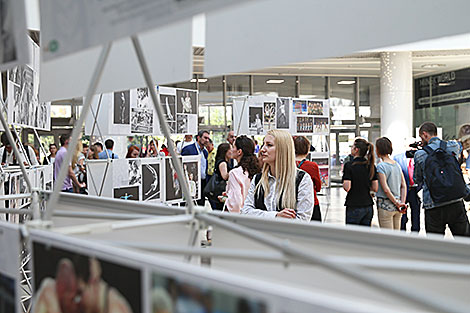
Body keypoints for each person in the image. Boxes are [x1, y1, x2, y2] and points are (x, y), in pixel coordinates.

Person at [241, 129, 314, 221]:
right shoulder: (258, 179)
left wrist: (260, 216)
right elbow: (246, 212)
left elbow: (303, 220)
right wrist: (275, 216)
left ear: (282, 149)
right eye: (263, 144)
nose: (262, 149)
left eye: (269, 145)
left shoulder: (302, 179)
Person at [413, 122, 470, 236]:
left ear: (424, 134)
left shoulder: (420, 154)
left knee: (435, 246)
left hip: (433, 204)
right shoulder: (452, 146)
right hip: (455, 200)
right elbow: (459, 147)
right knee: (464, 241)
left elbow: (417, 179)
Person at [342, 138, 378, 226]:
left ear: (356, 150)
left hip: (354, 204)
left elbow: (347, 187)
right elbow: (375, 188)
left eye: (352, 146)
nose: (351, 148)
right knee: (364, 237)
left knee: (353, 236)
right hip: (368, 205)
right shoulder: (371, 166)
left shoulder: (349, 165)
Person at [375, 137, 407, 230]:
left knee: (387, 238)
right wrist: (402, 203)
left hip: (385, 206)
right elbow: (403, 185)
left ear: (378, 149)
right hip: (398, 207)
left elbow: (385, 189)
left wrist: (396, 203)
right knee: (396, 237)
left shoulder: (381, 166)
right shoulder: (396, 164)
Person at [225, 136, 261, 213]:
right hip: (256, 215)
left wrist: (227, 199)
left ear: (239, 151)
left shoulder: (235, 173)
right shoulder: (258, 171)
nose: (231, 149)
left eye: (233, 147)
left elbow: (236, 204)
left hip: (241, 217)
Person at [294, 136, 322, 221]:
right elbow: (318, 187)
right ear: (307, 149)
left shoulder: (288, 164)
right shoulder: (312, 166)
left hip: (292, 203)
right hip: (311, 202)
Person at [394, 146, 422, 233]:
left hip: (415, 189)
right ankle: (402, 232)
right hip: (403, 189)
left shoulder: (420, 157)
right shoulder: (398, 158)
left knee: (416, 213)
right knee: (402, 214)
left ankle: (415, 233)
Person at [182, 130, 210, 206]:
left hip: (202, 182)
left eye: (208, 138)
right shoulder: (188, 149)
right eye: (205, 138)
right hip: (191, 182)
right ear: (198, 137)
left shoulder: (205, 152)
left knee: (200, 204)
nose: (207, 140)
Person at [211, 143, 232, 210]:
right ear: (225, 151)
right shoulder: (222, 163)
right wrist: (233, 172)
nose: (231, 152)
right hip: (220, 189)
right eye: (230, 149)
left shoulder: (224, 162)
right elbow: (224, 176)